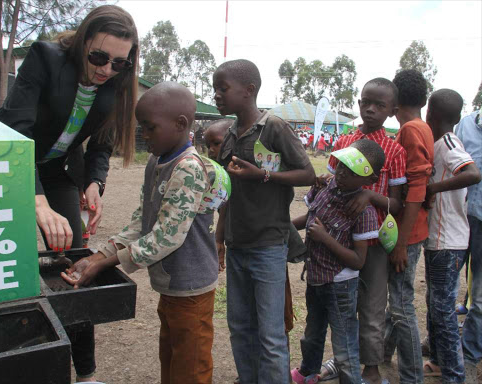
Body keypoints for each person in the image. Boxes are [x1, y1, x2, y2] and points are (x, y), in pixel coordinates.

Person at [0, 5, 139, 382]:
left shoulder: (116, 82)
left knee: (75, 261)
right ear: (82, 42)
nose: (107, 69)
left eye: (119, 63)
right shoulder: (45, 58)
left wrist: (94, 183)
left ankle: (86, 374)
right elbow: (16, 129)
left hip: (56, 170)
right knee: (8, 257)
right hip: (8, 163)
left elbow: (101, 145)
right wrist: (35, 201)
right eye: (98, 57)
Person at [62, 82, 219, 384]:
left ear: (180, 124)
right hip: (172, 288)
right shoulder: (157, 161)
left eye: (149, 128)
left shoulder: (188, 168)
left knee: (190, 368)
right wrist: (101, 253)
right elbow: (143, 221)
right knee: (172, 360)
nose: (144, 136)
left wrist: (105, 263)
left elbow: (167, 236)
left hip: (191, 290)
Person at [213, 59, 315, 383]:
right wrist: (219, 238)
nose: (216, 95)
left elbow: (308, 174)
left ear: (249, 90)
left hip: (268, 245)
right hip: (237, 244)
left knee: (271, 334)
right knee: (240, 328)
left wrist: (264, 175)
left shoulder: (273, 127)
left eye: (222, 88)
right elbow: (226, 195)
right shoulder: (228, 137)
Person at [321, 77, 406, 384]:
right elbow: (329, 183)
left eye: (378, 105)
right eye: (365, 102)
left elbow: (397, 205)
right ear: (358, 103)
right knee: (342, 305)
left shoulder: (394, 152)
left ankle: (371, 367)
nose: (370, 110)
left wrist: (370, 195)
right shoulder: (344, 142)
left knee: (371, 307)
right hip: (339, 237)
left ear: (391, 111)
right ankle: (343, 361)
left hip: (373, 244)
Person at [290, 139, 383, 384]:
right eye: (341, 165)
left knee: (343, 343)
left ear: (369, 180)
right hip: (316, 277)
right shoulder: (327, 187)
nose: (341, 172)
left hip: (339, 285)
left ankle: (351, 379)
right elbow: (310, 216)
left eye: (351, 171)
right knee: (313, 331)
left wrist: (325, 238)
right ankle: (307, 371)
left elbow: (359, 261)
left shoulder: (364, 212)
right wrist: (285, 228)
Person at [422, 89, 481, 382]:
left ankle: (454, 374)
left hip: (449, 242)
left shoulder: (448, 143)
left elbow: (472, 173)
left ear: (430, 114)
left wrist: (432, 189)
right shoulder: (437, 143)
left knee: (443, 311)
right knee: (435, 304)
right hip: (438, 240)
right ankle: (436, 359)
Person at [384, 69, 434, 384]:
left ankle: (412, 376)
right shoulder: (422, 127)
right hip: (414, 229)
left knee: (402, 307)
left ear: (396, 100)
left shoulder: (411, 131)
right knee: (397, 297)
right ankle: (382, 353)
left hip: (409, 233)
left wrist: (401, 243)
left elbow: (416, 188)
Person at [456, 107, 482, 384]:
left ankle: (470, 357)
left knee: (481, 298)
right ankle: (441, 348)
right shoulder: (466, 124)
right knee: (443, 286)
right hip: (460, 220)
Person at [204, 118, 234, 272]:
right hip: (235, 240)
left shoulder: (247, 169)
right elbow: (224, 209)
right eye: (208, 146)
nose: (210, 150)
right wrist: (219, 239)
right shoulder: (218, 175)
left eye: (216, 143)